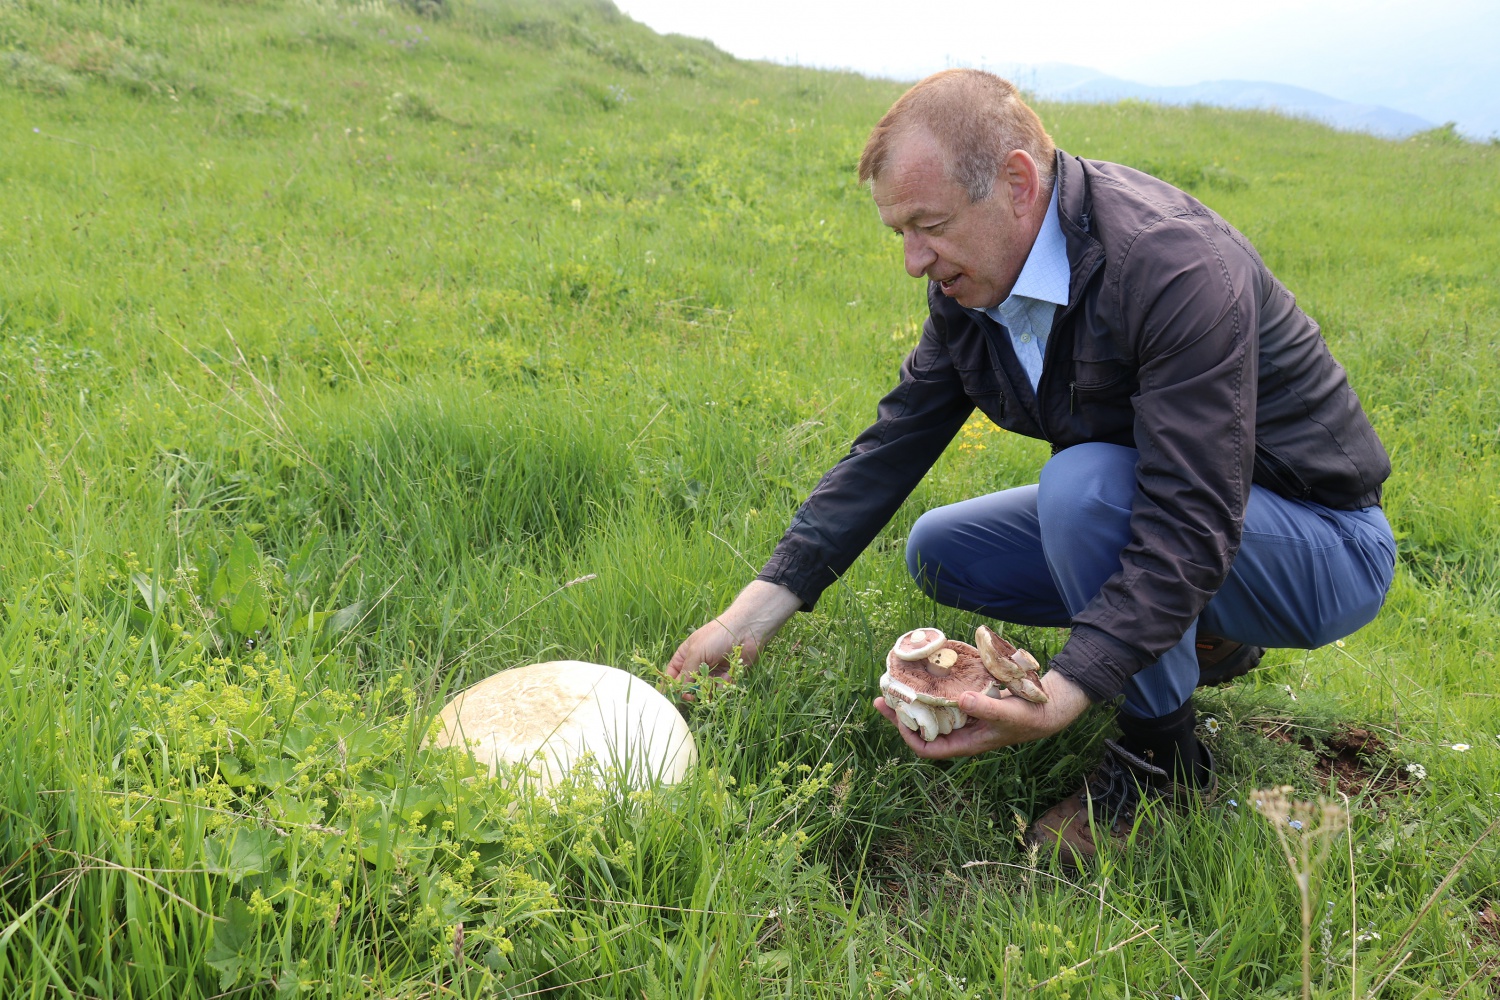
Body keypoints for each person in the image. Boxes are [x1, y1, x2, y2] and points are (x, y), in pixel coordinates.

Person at [665, 69, 1395, 863]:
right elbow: (892, 443)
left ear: (1017, 182)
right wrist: (749, 618)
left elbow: (1191, 514)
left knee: (1083, 492)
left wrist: (1067, 691)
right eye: (899, 232)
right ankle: (1204, 636)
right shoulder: (974, 287)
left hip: (1325, 545)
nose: (913, 260)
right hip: (1186, 519)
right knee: (941, 550)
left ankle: (1160, 763)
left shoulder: (1172, 266)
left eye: (929, 224)